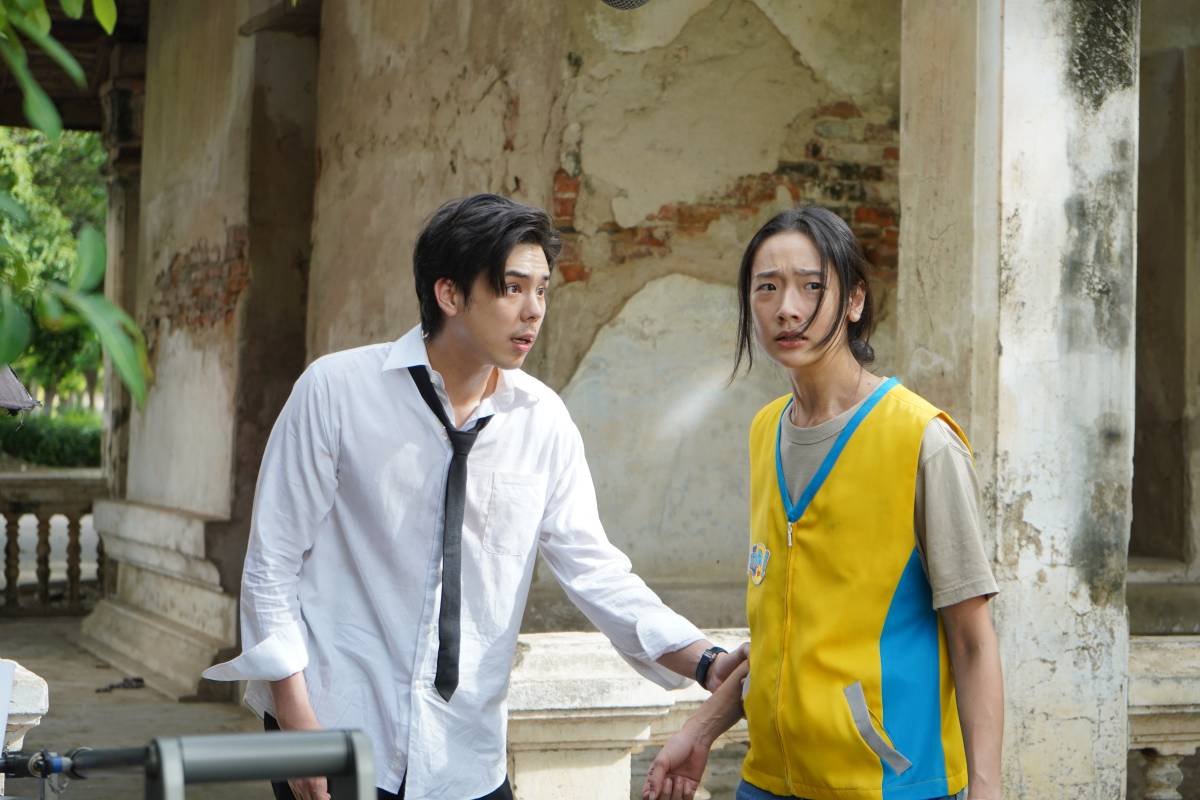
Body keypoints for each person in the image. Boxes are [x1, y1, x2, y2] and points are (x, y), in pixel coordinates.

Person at [203, 194, 744, 800]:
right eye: (512, 288)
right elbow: (272, 565)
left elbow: (595, 570)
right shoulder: (335, 392)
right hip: (341, 730)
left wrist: (705, 660)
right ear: (450, 294)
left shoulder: (542, 422)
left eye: (542, 290)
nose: (533, 311)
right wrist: (297, 724)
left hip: (465, 753)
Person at [642, 206, 1004, 800]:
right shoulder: (766, 430)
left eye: (812, 287)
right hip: (767, 780)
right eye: (767, 288)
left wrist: (986, 790)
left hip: (887, 785)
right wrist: (702, 729)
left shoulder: (922, 440)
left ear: (855, 300)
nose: (787, 308)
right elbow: (784, 635)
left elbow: (972, 639)